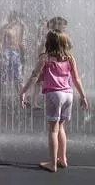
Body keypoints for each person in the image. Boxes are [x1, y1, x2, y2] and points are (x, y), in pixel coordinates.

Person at [20, 30, 88, 172]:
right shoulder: (69, 58)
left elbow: (34, 76)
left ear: (48, 42)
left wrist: (24, 91)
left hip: (54, 94)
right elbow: (76, 79)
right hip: (68, 94)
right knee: (61, 128)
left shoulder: (45, 58)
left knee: (53, 129)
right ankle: (62, 158)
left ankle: (52, 163)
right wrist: (83, 96)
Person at [0, 11, 26, 97]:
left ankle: (21, 97)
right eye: (13, 18)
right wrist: (1, 53)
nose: (15, 20)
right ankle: (0, 95)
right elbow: (0, 41)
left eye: (15, 18)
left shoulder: (20, 28)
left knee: (18, 76)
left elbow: (20, 42)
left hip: (16, 52)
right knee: (3, 73)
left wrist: (23, 54)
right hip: (7, 51)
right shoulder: (5, 28)